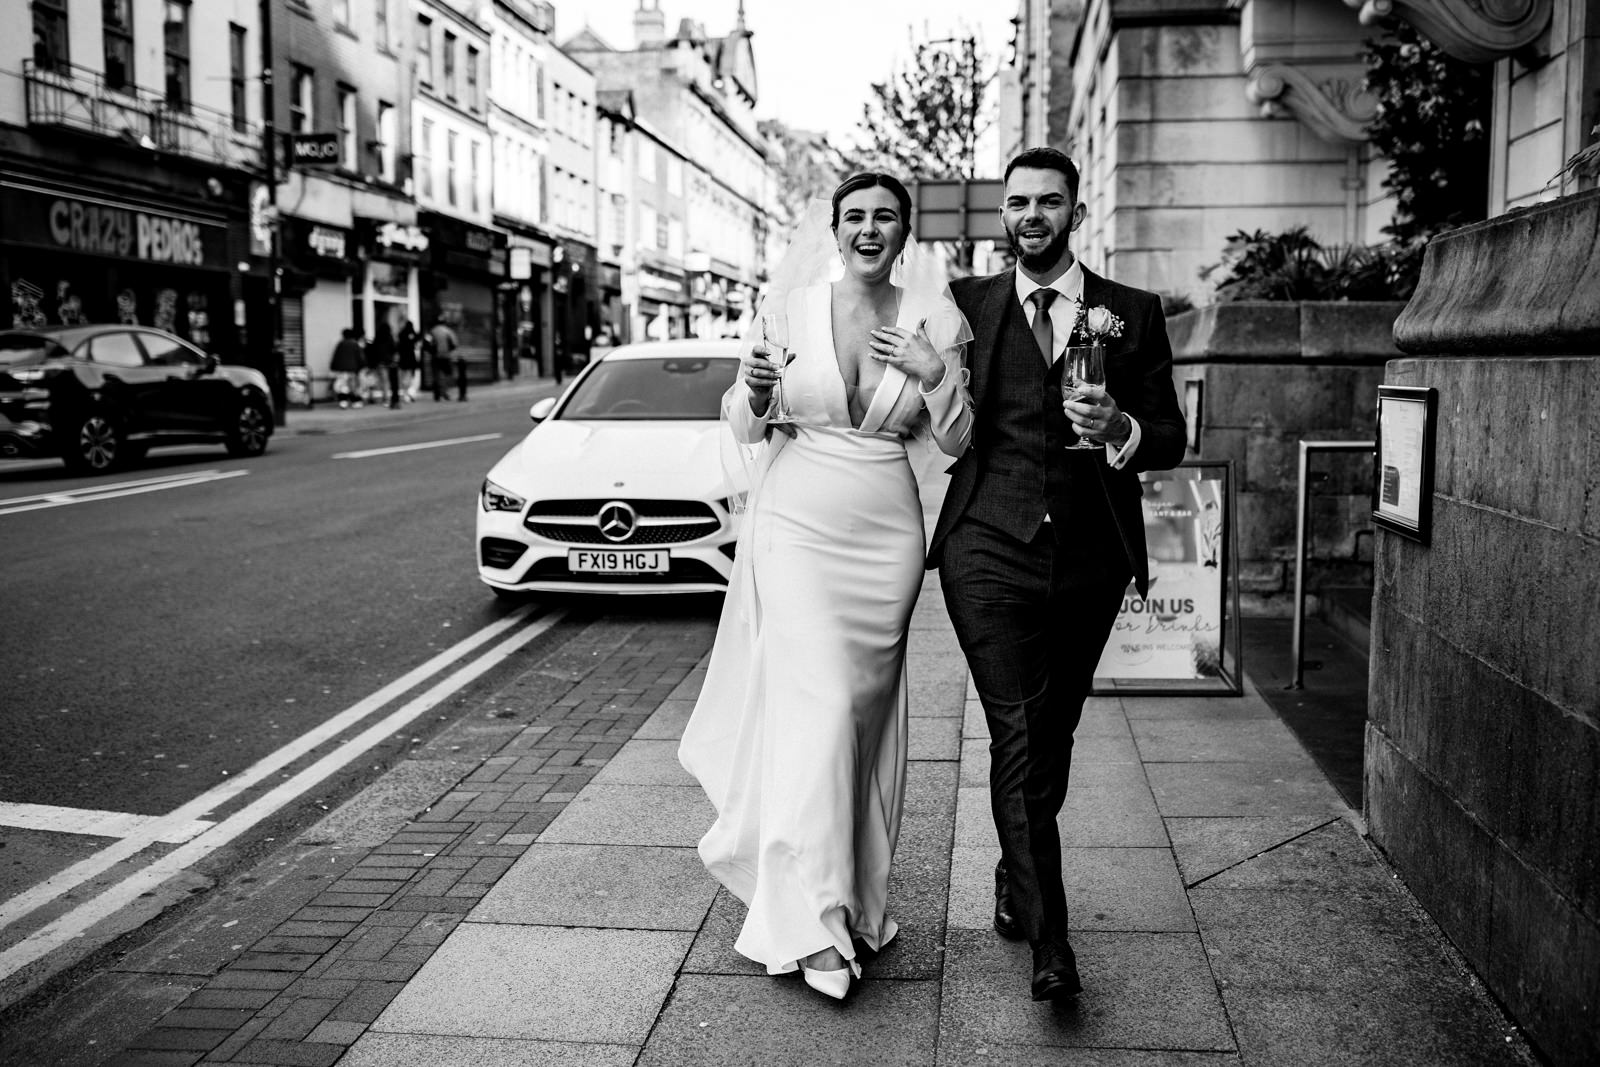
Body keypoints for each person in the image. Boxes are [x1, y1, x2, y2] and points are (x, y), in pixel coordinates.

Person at [679, 174, 975, 1002]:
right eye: (855, 217)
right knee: (819, 710)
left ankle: (858, 902)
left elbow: (957, 437)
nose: (869, 228)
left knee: (863, 720)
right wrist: (760, 392)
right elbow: (743, 421)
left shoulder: (937, 318)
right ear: (834, 229)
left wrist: (933, 371)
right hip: (797, 528)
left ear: (906, 231)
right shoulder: (787, 309)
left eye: (885, 216)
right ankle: (808, 922)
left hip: (885, 537)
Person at [928, 147, 1186, 1002]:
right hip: (985, 548)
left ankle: (1015, 867)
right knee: (1020, 731)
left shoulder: (1133, 313)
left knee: (1056, 730)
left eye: (1048, 201)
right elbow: (918, 400)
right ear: (1003, 215)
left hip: (1089, 553)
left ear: (1077, 211)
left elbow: (1170, 438)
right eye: (1017, 203)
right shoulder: (967, 305)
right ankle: (1054, 944)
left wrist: (1118, 423)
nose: (1030, 215)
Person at [329, 328, 365, 409]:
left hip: (342, 369)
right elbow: (360, 357)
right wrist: (361, 366)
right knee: (353, 386)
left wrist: (333, 367)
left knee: (342, 386)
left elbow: (336, 357)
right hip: (353, 369)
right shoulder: (355, 344)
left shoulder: (340, 344)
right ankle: (356, 401)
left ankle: (343, 401)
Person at [369, 320, 399, 409]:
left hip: (380, 362)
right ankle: (386, 399)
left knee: (382, 380)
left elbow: (373, 350)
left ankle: (383, 398)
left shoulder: (377, 338)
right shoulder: (390, 338)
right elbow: (394, 349)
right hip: (388, 362)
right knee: (387, 381)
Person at [427, 318, 458, 402]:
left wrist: (432, 351)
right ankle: (444, 391)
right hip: (446, 356)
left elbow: (426, 343)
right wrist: (448, 350)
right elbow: (454, 344)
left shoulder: (432, 331)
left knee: (436, 375)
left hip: (435, 357)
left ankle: (437, 394)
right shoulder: (448, 331)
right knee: (448, 374)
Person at [397, 320, 420, 402]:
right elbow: (417, 339)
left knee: (405, 378)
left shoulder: (402, 334)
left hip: (403, 359)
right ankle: (408, 394)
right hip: (410, 359)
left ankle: (406, 393)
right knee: (409, 377)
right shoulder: (411, 334)